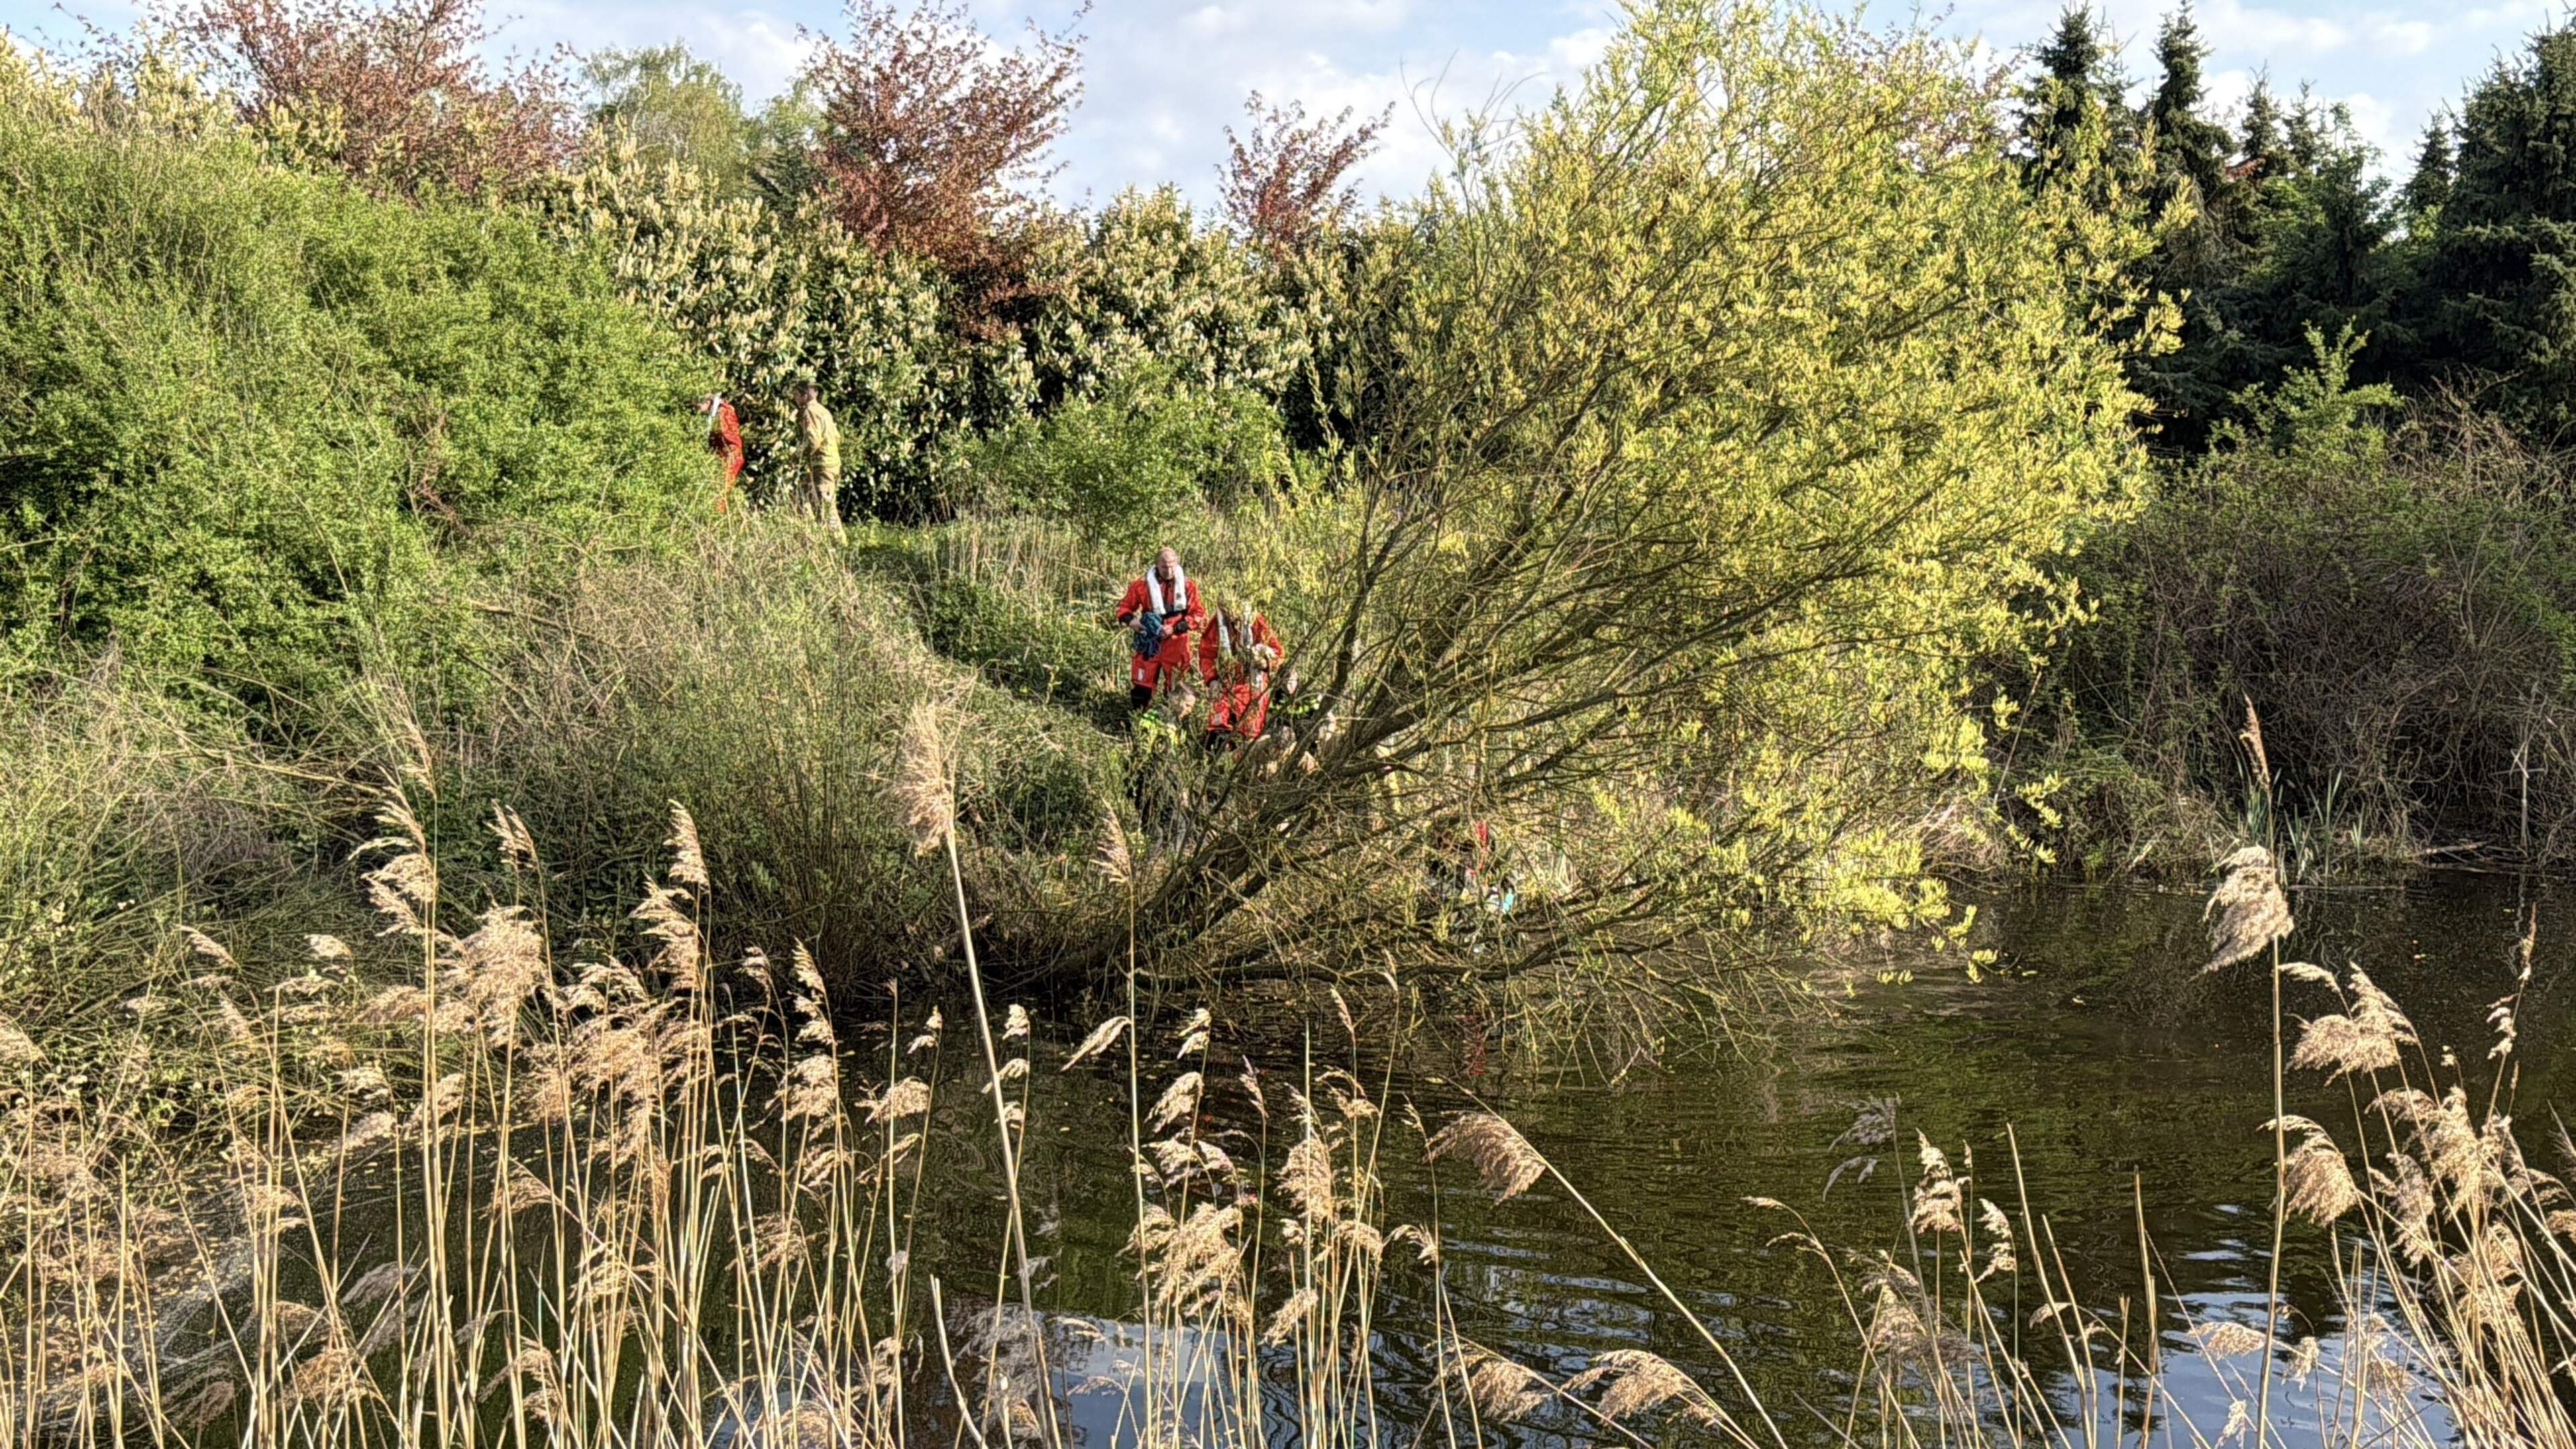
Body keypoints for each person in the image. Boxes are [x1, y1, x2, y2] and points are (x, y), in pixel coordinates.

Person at [1114, 546, 1204, 712]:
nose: (1168, 571)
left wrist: (1175, 628)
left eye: (1172, 567)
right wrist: (1131, 621)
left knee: (1177, 688)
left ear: (1177, 564)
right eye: (1164, 567)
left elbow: (1198, 614)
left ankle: (1173, 721)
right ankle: (1139, 720)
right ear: (1156, 565)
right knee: (1142, 688)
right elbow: (1123, 607)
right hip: (1149, 639)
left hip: (1177, 642)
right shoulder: (1141, 585)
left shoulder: (1188, 586)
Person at [1197, 598, 1285, 743]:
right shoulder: (1218, 623)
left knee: (1249, 733)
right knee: (1216, 731)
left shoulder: (1256, 621)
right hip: (1224, 684)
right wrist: (1212, 680)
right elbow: (1207, 655)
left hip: (1252, 685)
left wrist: (1265, 663)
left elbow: (1278, 652)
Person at [790, 381, 844, 535]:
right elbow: (837, 437)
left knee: (826, 506)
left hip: (822, 463)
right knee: (820, 502)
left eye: (796, 395)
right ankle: (823, 538)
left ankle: (837, 541)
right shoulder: (823, 410)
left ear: (804, 396)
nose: (795, 399)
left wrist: (798, 455)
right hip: (832, 462)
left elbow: (813, 440)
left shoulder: (809, 411)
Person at [701, 394, 744, 513]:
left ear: (707, 403)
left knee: (720, 492)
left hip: (730, 457)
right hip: (722, 457)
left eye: (698, 405)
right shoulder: (714, 413)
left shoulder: (724, 412)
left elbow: (731, 440)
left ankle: (718, 516)